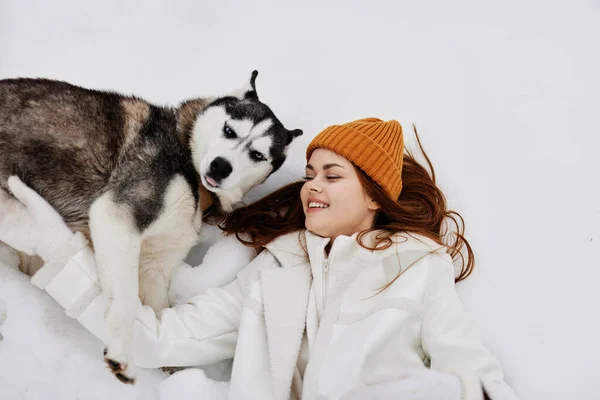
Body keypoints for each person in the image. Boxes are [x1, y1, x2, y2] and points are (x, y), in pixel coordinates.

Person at [0, 118, 517, 400]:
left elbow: (469, 369)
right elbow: (154, 340)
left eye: (333, 176)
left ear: (376, 197)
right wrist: (58, 251)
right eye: (311, 173)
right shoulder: (273, 272)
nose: (312, 186)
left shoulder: (416, 267)